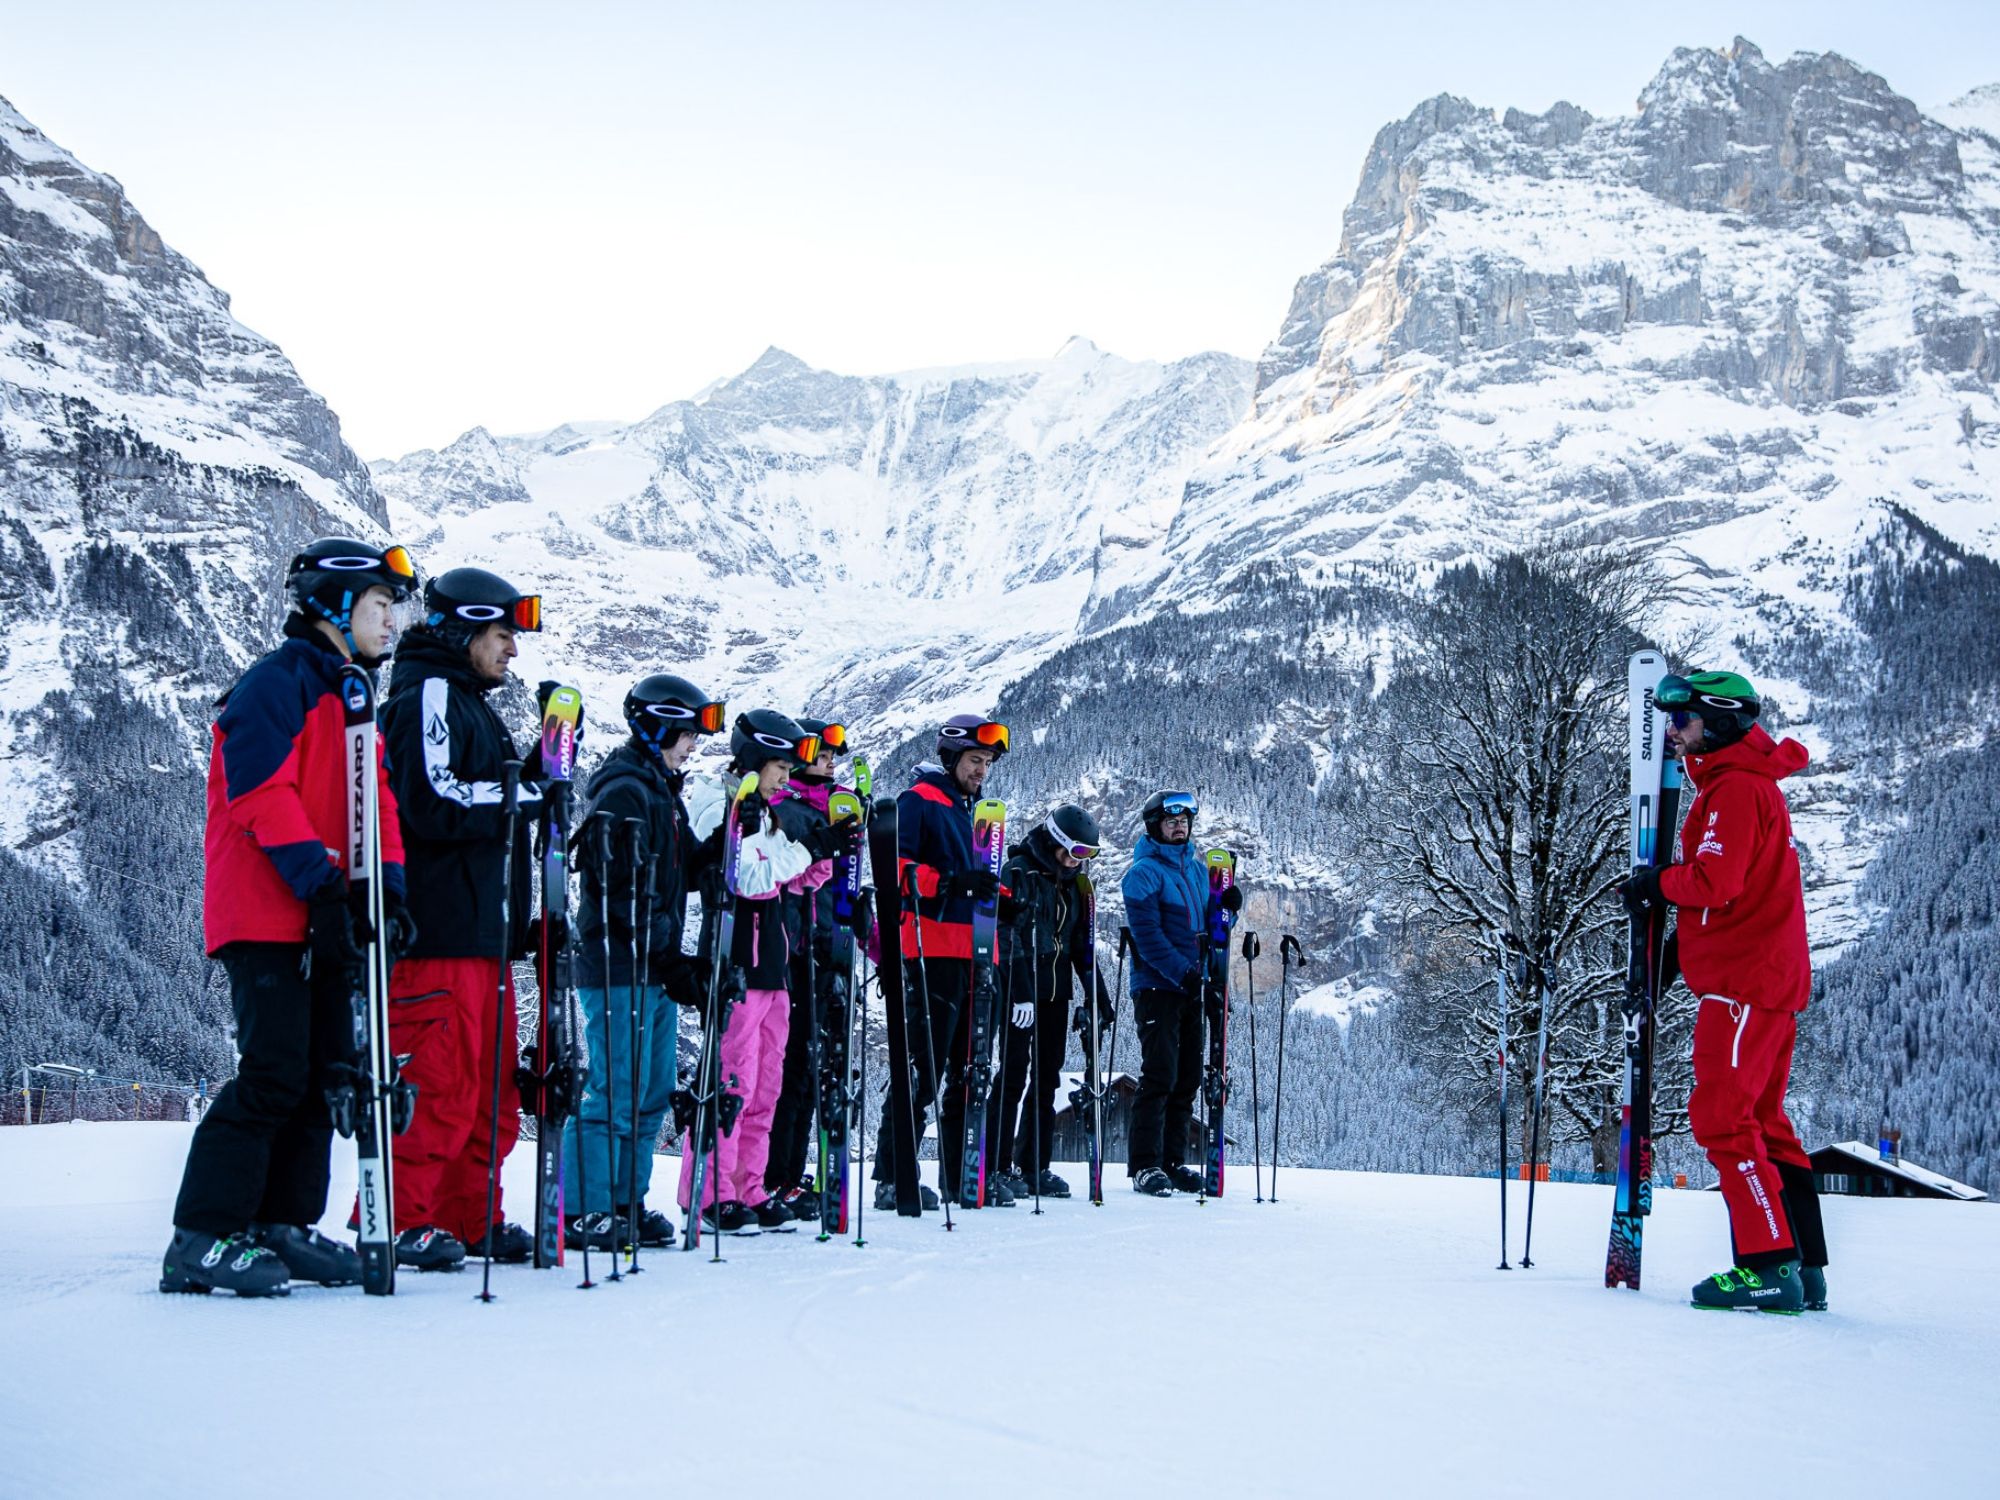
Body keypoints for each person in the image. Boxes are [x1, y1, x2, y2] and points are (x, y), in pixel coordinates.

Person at [162, 536, 419, 1296]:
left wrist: (390, 889)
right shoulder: (278, 684)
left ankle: (282, 1221)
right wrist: (324, 886)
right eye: (380, 607)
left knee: (324, 1077)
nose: (392, 624)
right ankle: (202, 1234)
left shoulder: (351, 693)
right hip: (268, 912)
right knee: (274, 1074)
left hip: (323, 912)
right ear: (336, 605)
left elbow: (380, 803)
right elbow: (258, 795)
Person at [1622, 670, 1829, 1314]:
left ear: (1717, 722)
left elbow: (1716, 880)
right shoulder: (1746, 783)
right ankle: (1805, 1268)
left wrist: (1656, 884)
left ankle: (1768, 1268)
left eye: (1683, 721)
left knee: (1724, 1120)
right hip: (1762, 977)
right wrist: (1681, 952)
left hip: (1743, 987)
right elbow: (1741, 892)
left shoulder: (1735, 788)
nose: (1674, 734)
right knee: (1767, 1125)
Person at [374, 566, 551, 1270]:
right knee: (437, 1081)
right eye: (504, 633)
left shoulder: (469, 700)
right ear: (467, 627)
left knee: (489, 1090)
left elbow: (487, 798)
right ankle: (400, 1215)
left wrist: (534, 775)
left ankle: (470, 1212)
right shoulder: (431, 694)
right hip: (436, 929)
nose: (512, 648)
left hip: (483, 935)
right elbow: (435, 800)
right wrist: (525, 790)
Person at [564, 673, 725, 1251]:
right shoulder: (626, 790)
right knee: (616, 1088)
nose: (693, 745)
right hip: (617, 965)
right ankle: (585, 1208)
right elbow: (621, 886)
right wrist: (663, 954)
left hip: (650, 966)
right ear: (656, 725)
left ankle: (624, 1201)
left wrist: (717, 847)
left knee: (650, 1089)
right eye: (686, 733)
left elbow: (669, 876)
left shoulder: (661, 789)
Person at [676, 710, 849, 1234]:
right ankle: (707, 1192)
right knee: (731, 1081)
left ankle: (747, 1185)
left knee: (765, 1086)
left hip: (774, 964)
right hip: (735, 963)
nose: (785, 777)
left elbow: (786, 879)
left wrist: (824, 859)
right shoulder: (719, 805)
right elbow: (747, 876)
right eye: (779, 766)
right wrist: (806, 850)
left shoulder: (768, 811)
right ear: (755, 760)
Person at [875, 713, 1016, 1211]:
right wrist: (947, 884)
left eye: (987, 763)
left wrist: (1004, 899)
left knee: (971, 1071)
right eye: (976, 760)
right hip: (930, 949)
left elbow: (981, 877)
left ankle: (961, 1176)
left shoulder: (977, 814)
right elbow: (892, 866)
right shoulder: (920, 801)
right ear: (952, 757)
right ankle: (894, 1176)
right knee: (922, 1070)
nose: (982, 771)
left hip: (980, 953)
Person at [990, 804, 1111, 1200]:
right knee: (1011, 1076)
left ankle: (1034, 1165)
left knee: (1046, 1080)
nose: (1080, 863)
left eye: (1087, 856)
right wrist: (1019, 990)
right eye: (1077, 853)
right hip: (1018, 990)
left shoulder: (1071, 884)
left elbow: (1080, 945)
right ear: (1058, 842)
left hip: (1056, 995)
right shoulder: (1019, 873)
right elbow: (1005, 933)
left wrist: (1098, 996)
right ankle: (995, 1164)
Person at [765, 718, 855, 1219]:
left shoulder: (831, 810)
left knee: (806, 1069)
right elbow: (793, 880)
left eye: (833, 755)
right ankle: (775, 1175)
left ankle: (790, 1174)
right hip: (797, 948)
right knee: (793, 1067)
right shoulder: (790, 812)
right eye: (821, 753)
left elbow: (842, 888)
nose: (830, 761)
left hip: (821, 948)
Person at [1121, 790, 1210, 1196]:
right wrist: (1183, 973)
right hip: (1158, 985)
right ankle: (1144, 1166)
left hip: (1193, 983)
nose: (1179, 826)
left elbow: (1211, 925)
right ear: (1155, 826)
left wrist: (1228, 905)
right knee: (1160, 1073)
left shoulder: (1195, 869)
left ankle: (1173, 1162)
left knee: (1188, 1075)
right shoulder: (1142, 874)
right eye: (1170, 821)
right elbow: (1147, 937)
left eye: (1184, 821)